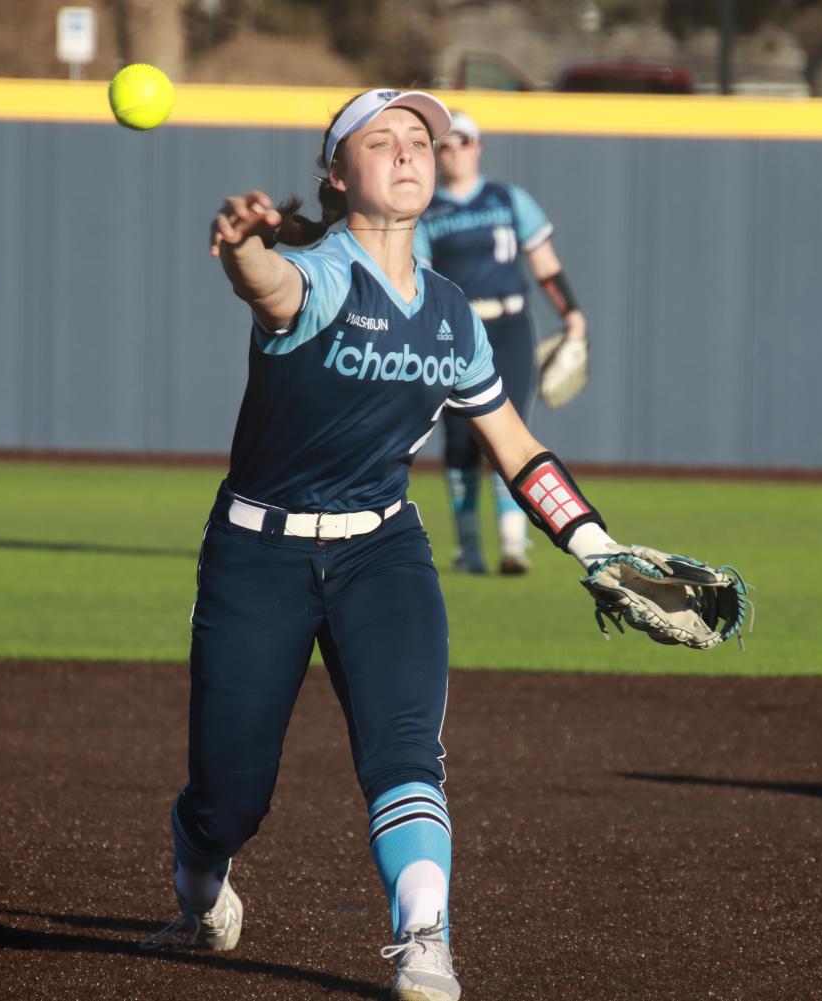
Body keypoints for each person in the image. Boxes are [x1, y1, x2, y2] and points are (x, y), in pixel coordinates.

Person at [138, 88, 646, 1001]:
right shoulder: (319, 271)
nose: (411, 151)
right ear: (338, 174)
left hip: (383, 551)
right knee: (230, 794)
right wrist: (245, 238)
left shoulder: (452, 314)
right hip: (260, 554)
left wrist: (596, 545)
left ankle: (424, 939)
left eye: (421, 138)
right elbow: (267, 284)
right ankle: (199, 883)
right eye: (383, 140)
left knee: (406, 751)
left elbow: (517, 447)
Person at [415, 111, 589, 576]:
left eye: (463, 142)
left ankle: (513, 543)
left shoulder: (507, 198)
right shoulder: (429, 209)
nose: (454, 151)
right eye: (445, 145)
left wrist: (571, 315)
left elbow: (545, 263)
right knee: (458, 440)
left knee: (508, 430)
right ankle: (468, 545)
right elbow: (420, 279)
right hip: (457, 328)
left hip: (510, 322)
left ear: (479, 146)